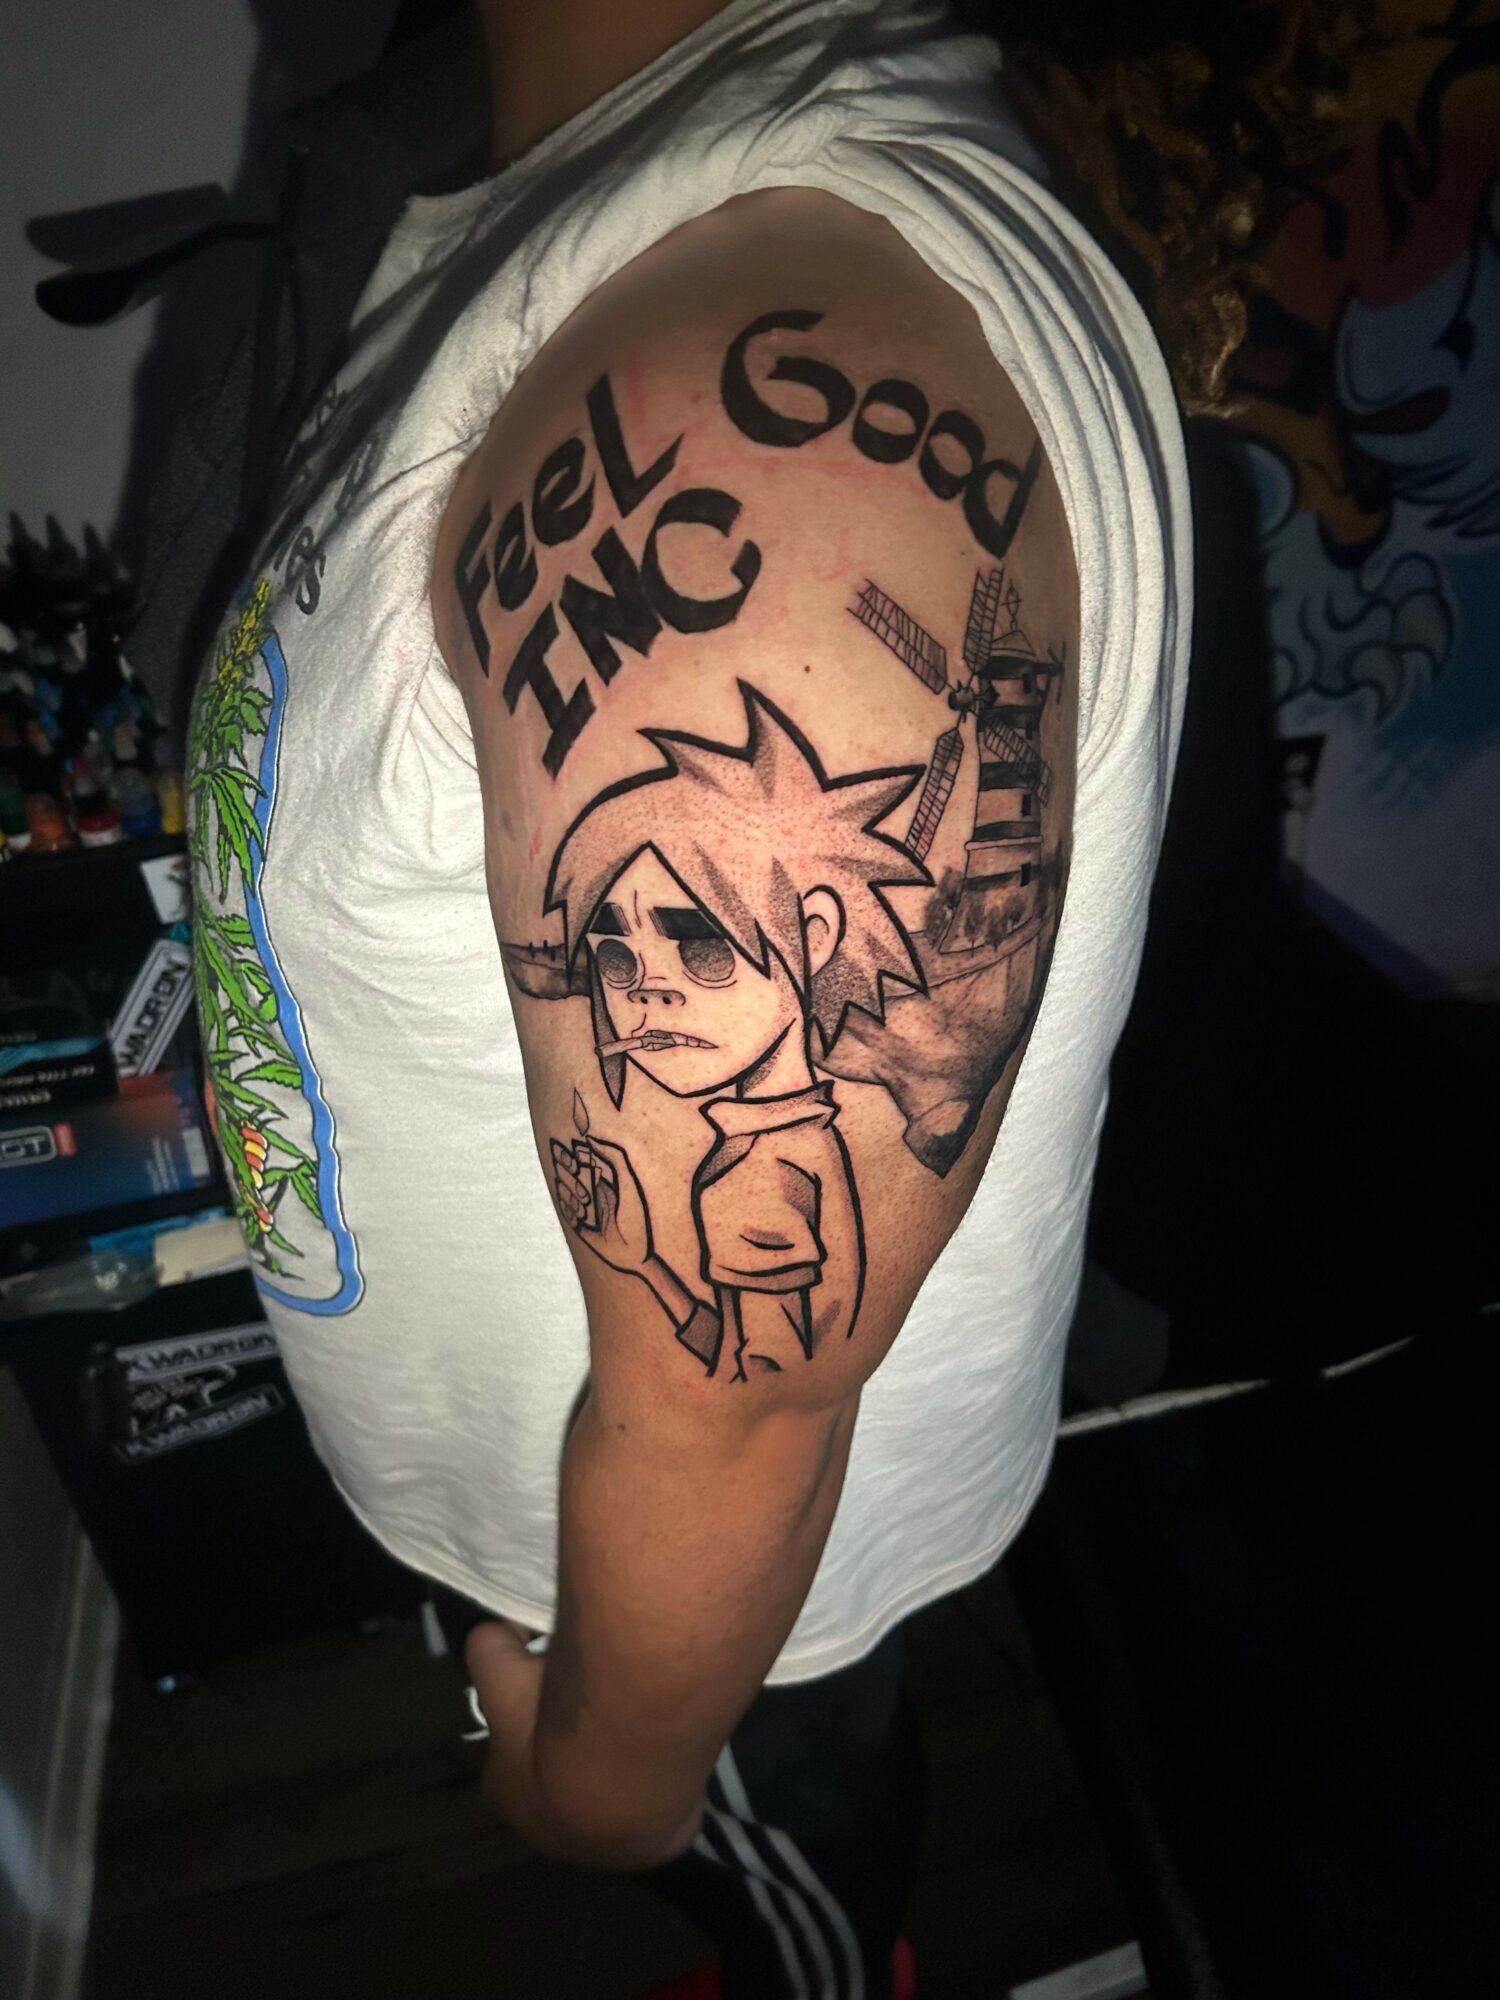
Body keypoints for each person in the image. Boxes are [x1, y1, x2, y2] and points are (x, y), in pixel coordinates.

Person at [172, 0, 1232, 1992]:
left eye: (700, 946)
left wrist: (606, 1788)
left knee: (790, 1903)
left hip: (698, 1630)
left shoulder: (735, 380)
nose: (653, 981)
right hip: (599, 1524)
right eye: (638, 940)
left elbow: (744, 1412)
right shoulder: (603, 230)